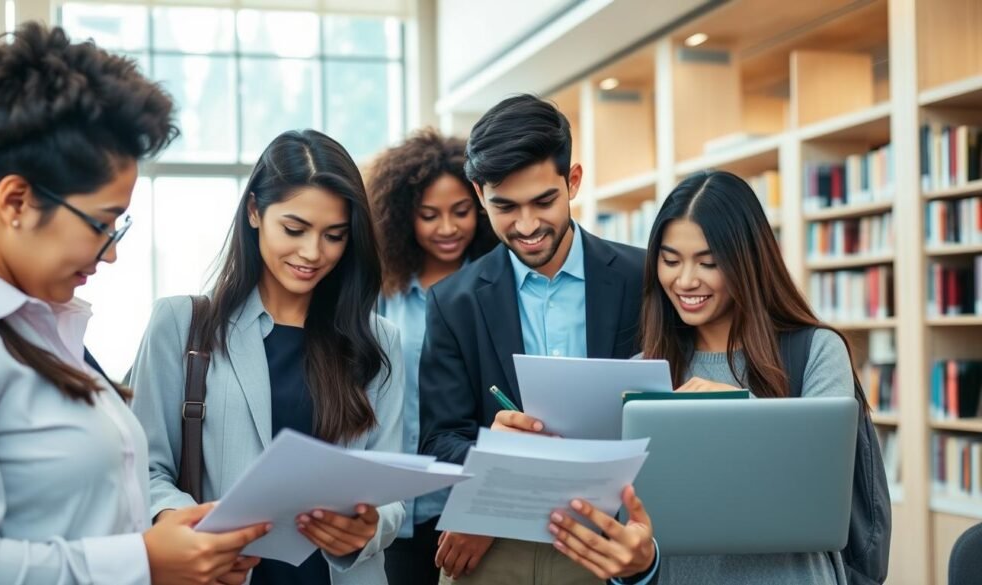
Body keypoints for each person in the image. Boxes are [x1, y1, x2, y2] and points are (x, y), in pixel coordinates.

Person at [0, 23, 269, 585]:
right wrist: (147, 561)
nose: (110, 255)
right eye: (102, 223)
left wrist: (177, 549)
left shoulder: (33, 322)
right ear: (16, 200)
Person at [129, 129, 405, 585]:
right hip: (223, 572)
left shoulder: (377, 340)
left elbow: (390, 483)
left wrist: (371, 526)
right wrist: (192, 526)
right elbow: (144, 472)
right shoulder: (181, 324)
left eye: (334, 236)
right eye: (294, 230)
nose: (312, 253)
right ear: (255, 211)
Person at [418, 94, 659, 585]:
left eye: (543, 202)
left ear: (572, 182)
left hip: (606, 541)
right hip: (492, 550)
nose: (526, 226)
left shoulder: (643, 279)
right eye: (505, 206)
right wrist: (491, 455)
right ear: (480, 194)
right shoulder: (453, 301)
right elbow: (439, 440)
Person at [639, 170, 869, 584]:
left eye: (709, 262)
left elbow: (821, 486)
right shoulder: (647, 370)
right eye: (670, 260)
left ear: (747, 261)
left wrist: (735, 410)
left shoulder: (815, 350)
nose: (685, 280)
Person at [367, 128, 497, 584]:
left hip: (468, 506)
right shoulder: (382, 294)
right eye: (429, 215)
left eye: (461, 211)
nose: (447, 228)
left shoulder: (490, 290)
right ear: (404, 218)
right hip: (394, 507)